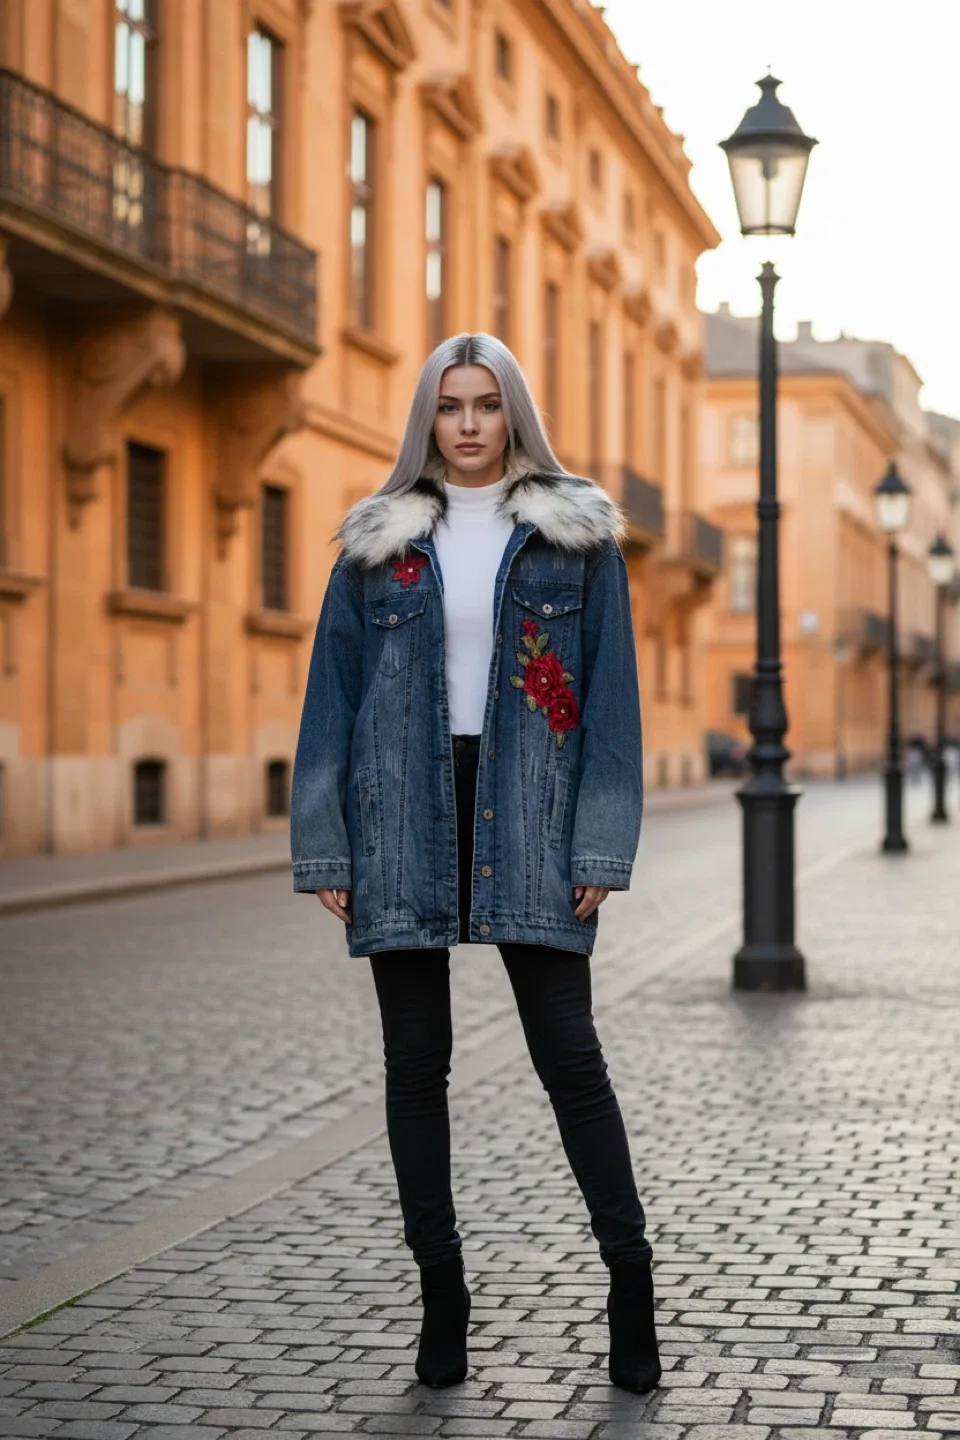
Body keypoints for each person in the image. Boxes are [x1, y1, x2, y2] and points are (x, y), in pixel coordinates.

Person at [290, 333, 659, 1395]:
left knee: (568, 1058)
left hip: (532, 813)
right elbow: (332, 700)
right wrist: (326, 838)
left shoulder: (573, 539)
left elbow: (611, 701)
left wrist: (600, 839)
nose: (465, 423)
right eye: (448, 404)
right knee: (416, 1067)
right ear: (428, 417)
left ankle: (628, 1277)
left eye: (485, 405)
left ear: (513, 417)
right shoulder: (377, 547)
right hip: (400, 806)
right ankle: (441, 1295)